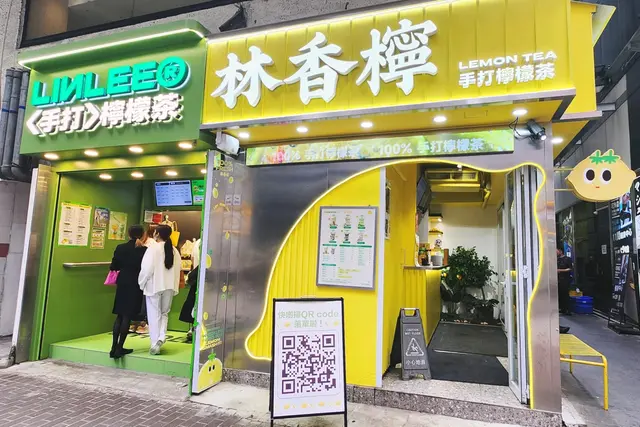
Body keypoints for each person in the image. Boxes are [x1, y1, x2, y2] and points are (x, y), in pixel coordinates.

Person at [139, 224, 181, 355]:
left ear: (157, 234)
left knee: (154, 315)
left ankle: (154, 343)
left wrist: (141, 283)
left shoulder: (153, 249)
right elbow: (178, 270)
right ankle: (161, 337)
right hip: (169, 286)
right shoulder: (174, 251)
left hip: (154, 286)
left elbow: (146, 269)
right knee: (164, 313)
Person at [109, 225, 147, 359]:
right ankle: (120, 347)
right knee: (127, 316)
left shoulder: (120, 248)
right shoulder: (144, 250)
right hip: (136, 283)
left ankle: (113, 347)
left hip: (122, 282)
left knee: (119, 315)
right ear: (142, 235)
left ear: (128, 234)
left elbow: (114, 266)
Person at [557, 247, 573, 315]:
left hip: (565, 279)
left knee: (565, 294)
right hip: (558, 279)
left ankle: (568, 310)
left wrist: (560, 270)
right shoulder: (557, 259)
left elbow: (570, 268)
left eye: (557, 251)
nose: (556, 253)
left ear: (560, 251)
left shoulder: (567, 259)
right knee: (560, 294)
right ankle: (562, 309)